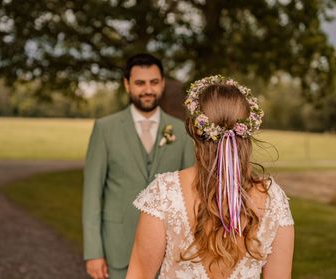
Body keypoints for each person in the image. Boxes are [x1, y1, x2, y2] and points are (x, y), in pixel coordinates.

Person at [127, 75, 295, 279]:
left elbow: (138, 275)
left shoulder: (164, 193)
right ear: (247, 130)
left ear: (194, 130)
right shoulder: (273, 198)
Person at [82, 53, 195, 279]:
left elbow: (191, 192)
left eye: (154, 82)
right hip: (117, 248)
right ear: (127, 84)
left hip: (169, 251)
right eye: (140, 83)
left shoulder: (181, 131)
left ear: (162, 83)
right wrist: (93, 252)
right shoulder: (105, 129)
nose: (148, 90)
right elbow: (92, 194)